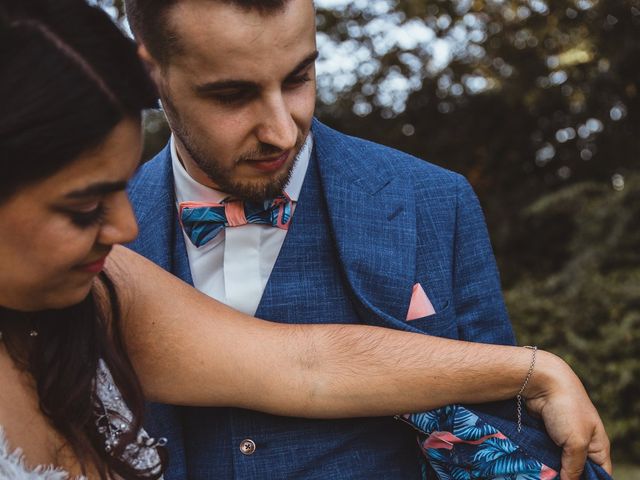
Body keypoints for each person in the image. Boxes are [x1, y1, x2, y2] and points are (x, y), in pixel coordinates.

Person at [0, 1, 610, 479]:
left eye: (298, 77)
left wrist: (535, 371)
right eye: (232, 94)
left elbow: (304, 363)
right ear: (150, 72)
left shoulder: (432, 200)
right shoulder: (113, 218)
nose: (281, 129)